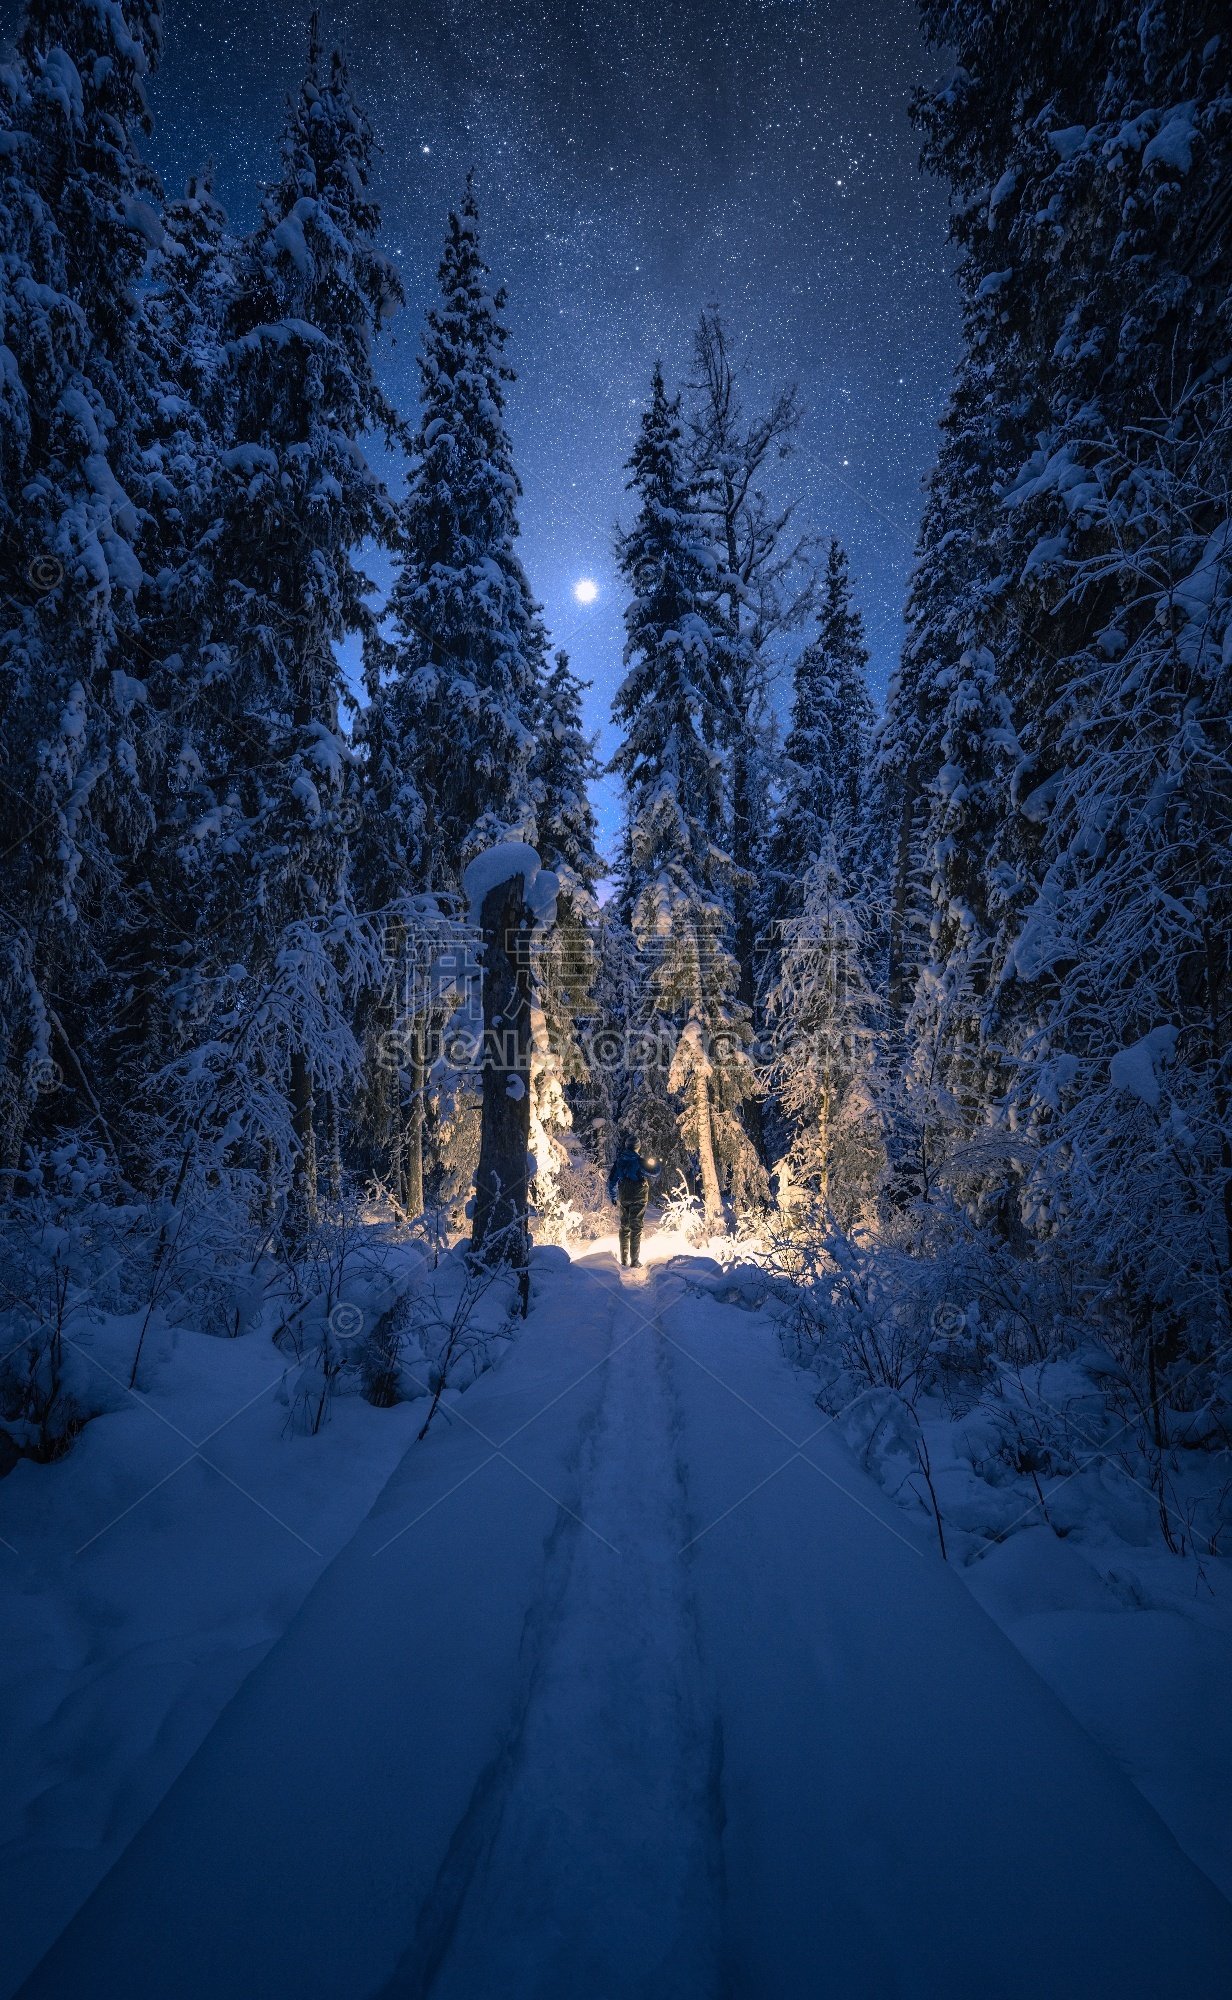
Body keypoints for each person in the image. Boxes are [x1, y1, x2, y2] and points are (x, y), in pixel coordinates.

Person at [607, 1136, 660, 1268]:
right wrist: (656, 1162)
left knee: (624, 1228)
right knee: (636, 1228)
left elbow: (612, 1180)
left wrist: (613, 1197)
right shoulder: (639, 1161)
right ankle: (634, 1261)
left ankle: (624, 1260)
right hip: (639, 1197)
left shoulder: (619, 1161)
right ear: (637, 1146)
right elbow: (654, 1172)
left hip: (624, 1196)